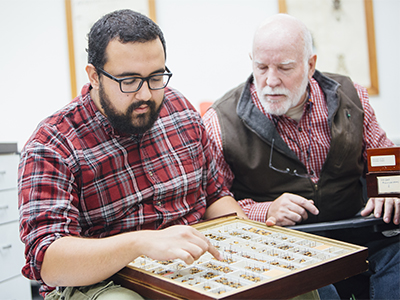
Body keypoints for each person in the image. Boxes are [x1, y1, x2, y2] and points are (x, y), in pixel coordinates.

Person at [18, 9, 248, 300]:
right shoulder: (53, 144)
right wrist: (141, 243)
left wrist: (244, 242)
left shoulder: (179, 110)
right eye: (129, 81)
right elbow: (49, 260)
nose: (145, 95)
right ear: (95, 76)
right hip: (102, 281)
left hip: (189, 265)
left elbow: (216, 195)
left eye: (155, 77)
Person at [203, 13, 400, 300]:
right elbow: (213, 200)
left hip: (357, 230)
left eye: (284, 67)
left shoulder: (351, 97)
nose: (270, 80)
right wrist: (266, 211)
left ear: (310, 65)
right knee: (316, 287)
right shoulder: (221, 121)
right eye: (261, 67)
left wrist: (390, 189)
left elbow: (383, 157)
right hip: (285, 246)